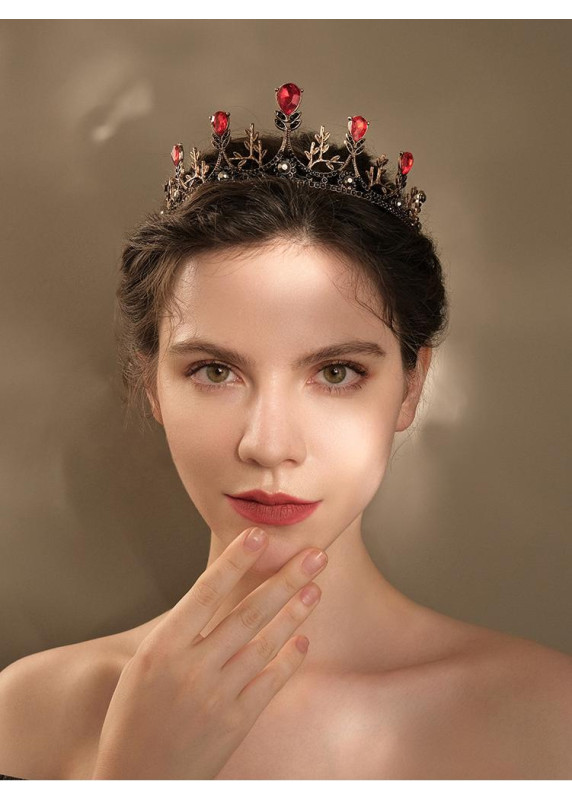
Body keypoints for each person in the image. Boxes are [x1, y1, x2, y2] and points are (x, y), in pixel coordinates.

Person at [0, 84, 571, 780]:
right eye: (214, 370)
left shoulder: (549, 719)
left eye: (335, 373)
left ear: (412, 387)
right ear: (151, 383)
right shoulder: (27, 713)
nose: (268, 445)